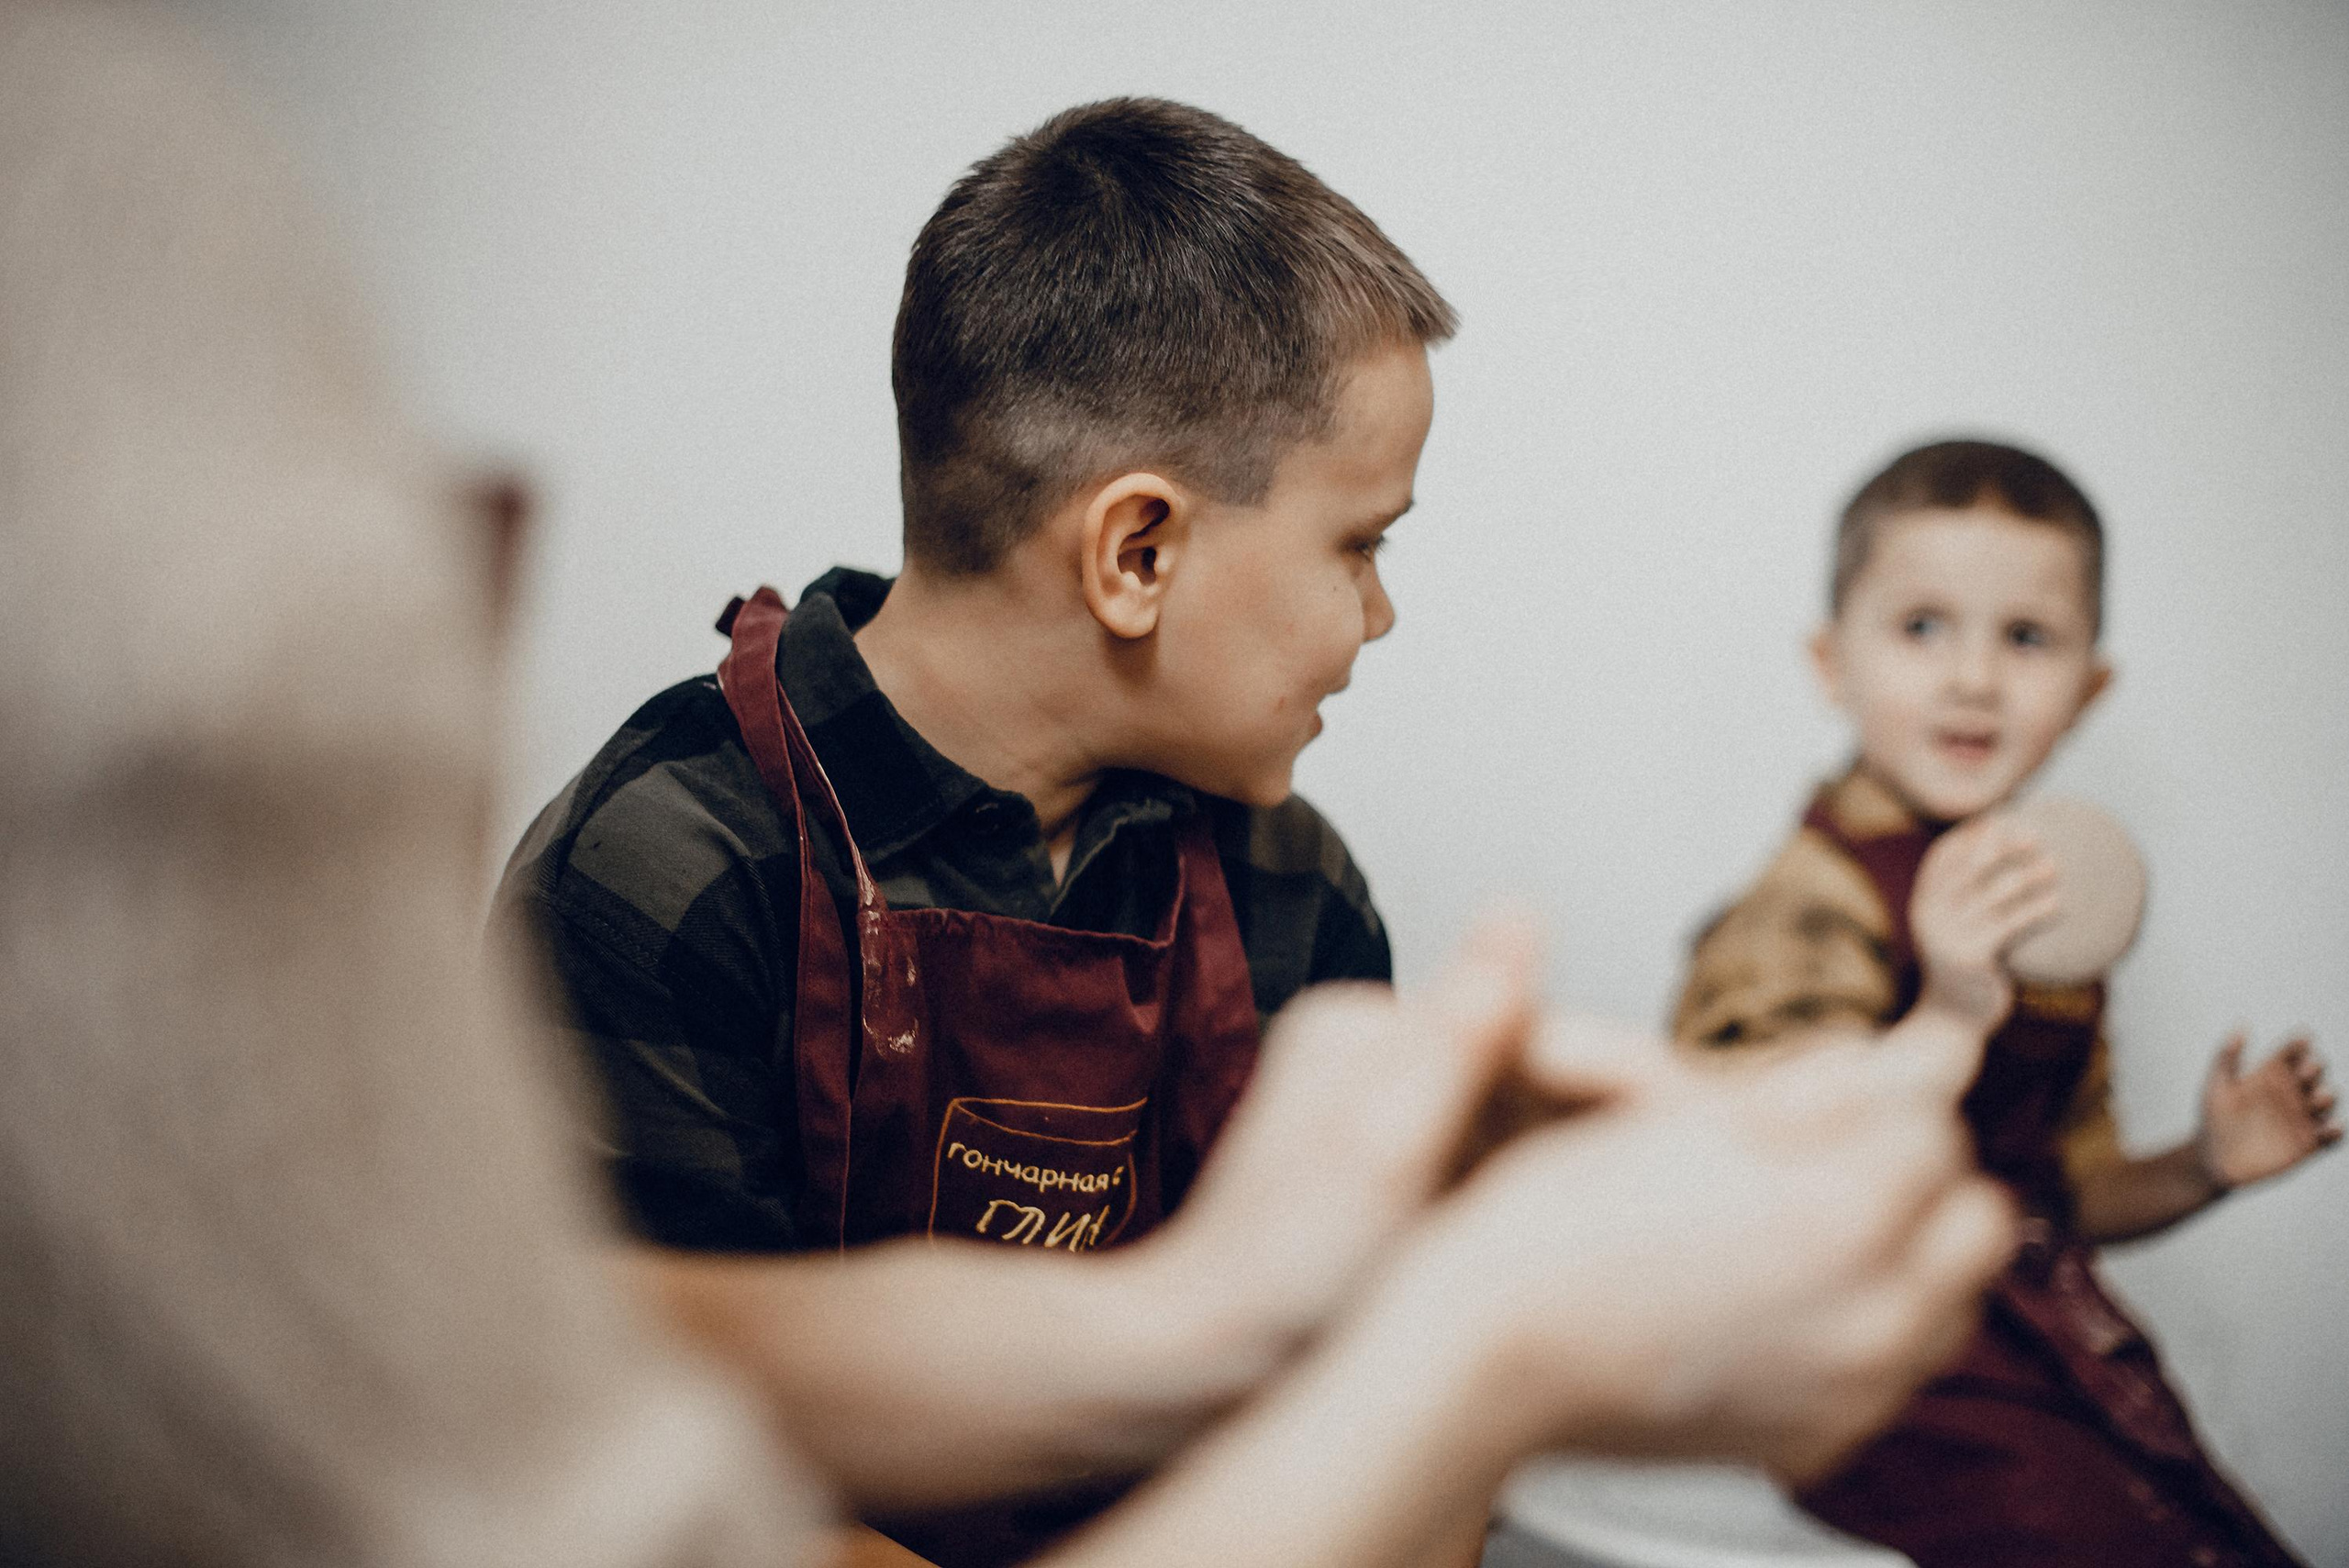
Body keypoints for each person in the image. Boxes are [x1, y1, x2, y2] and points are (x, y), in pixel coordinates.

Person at [2, 11, 2022, 1565]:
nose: (1383, 615)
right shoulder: (663, 868)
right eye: (1360, 540)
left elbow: (1379, 1474)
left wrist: (1408, 1326)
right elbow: (651, 1490)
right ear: (1135, 550)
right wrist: (1496, 1337)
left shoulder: (1293, 884)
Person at [1673, 439, 2340, 1567]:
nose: (1974, 677)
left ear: (2089, 688)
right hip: (1864, 1358)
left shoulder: (2050, 912)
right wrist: (1945, 1004)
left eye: (2025, 637)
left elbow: (2061, 1188)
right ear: (1833, 661)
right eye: (1922, 626)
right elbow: (1768, 1163)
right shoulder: (1812, 899)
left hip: (2038, 1341)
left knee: (2201, 1531)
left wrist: (2200, 1165)